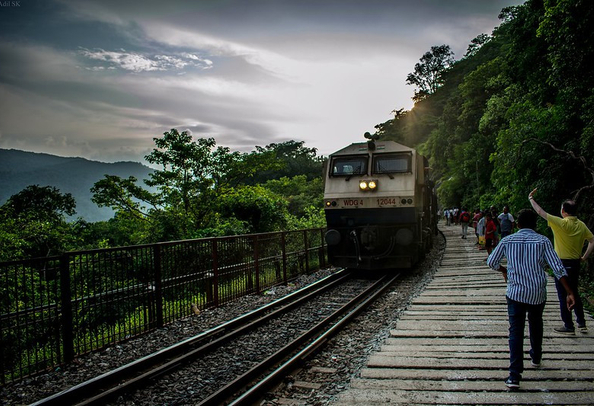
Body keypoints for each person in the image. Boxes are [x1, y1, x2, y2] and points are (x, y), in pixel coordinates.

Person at [487, 208, 576, 389]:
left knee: (516, 331)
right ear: (535, 225)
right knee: (536, 323)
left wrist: (506, 271)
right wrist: (570, 292)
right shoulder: (542, 241)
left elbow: (492, 262)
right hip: (537, 293)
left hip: (515, 293)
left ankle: (514, 376)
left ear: (517, 224)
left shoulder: (507, 240)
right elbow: (557, 268)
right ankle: (536, 356)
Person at [529, 188, 594, 334]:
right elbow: (592, 241)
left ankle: (568, 325)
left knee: (563, 294)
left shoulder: (560, 223)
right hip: (575, 263)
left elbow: (540, 212)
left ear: (563, 211)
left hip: (560, 264)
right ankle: (582, 323)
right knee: (574, 291)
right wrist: (584, 257)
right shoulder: (581, 225)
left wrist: (531, 199)